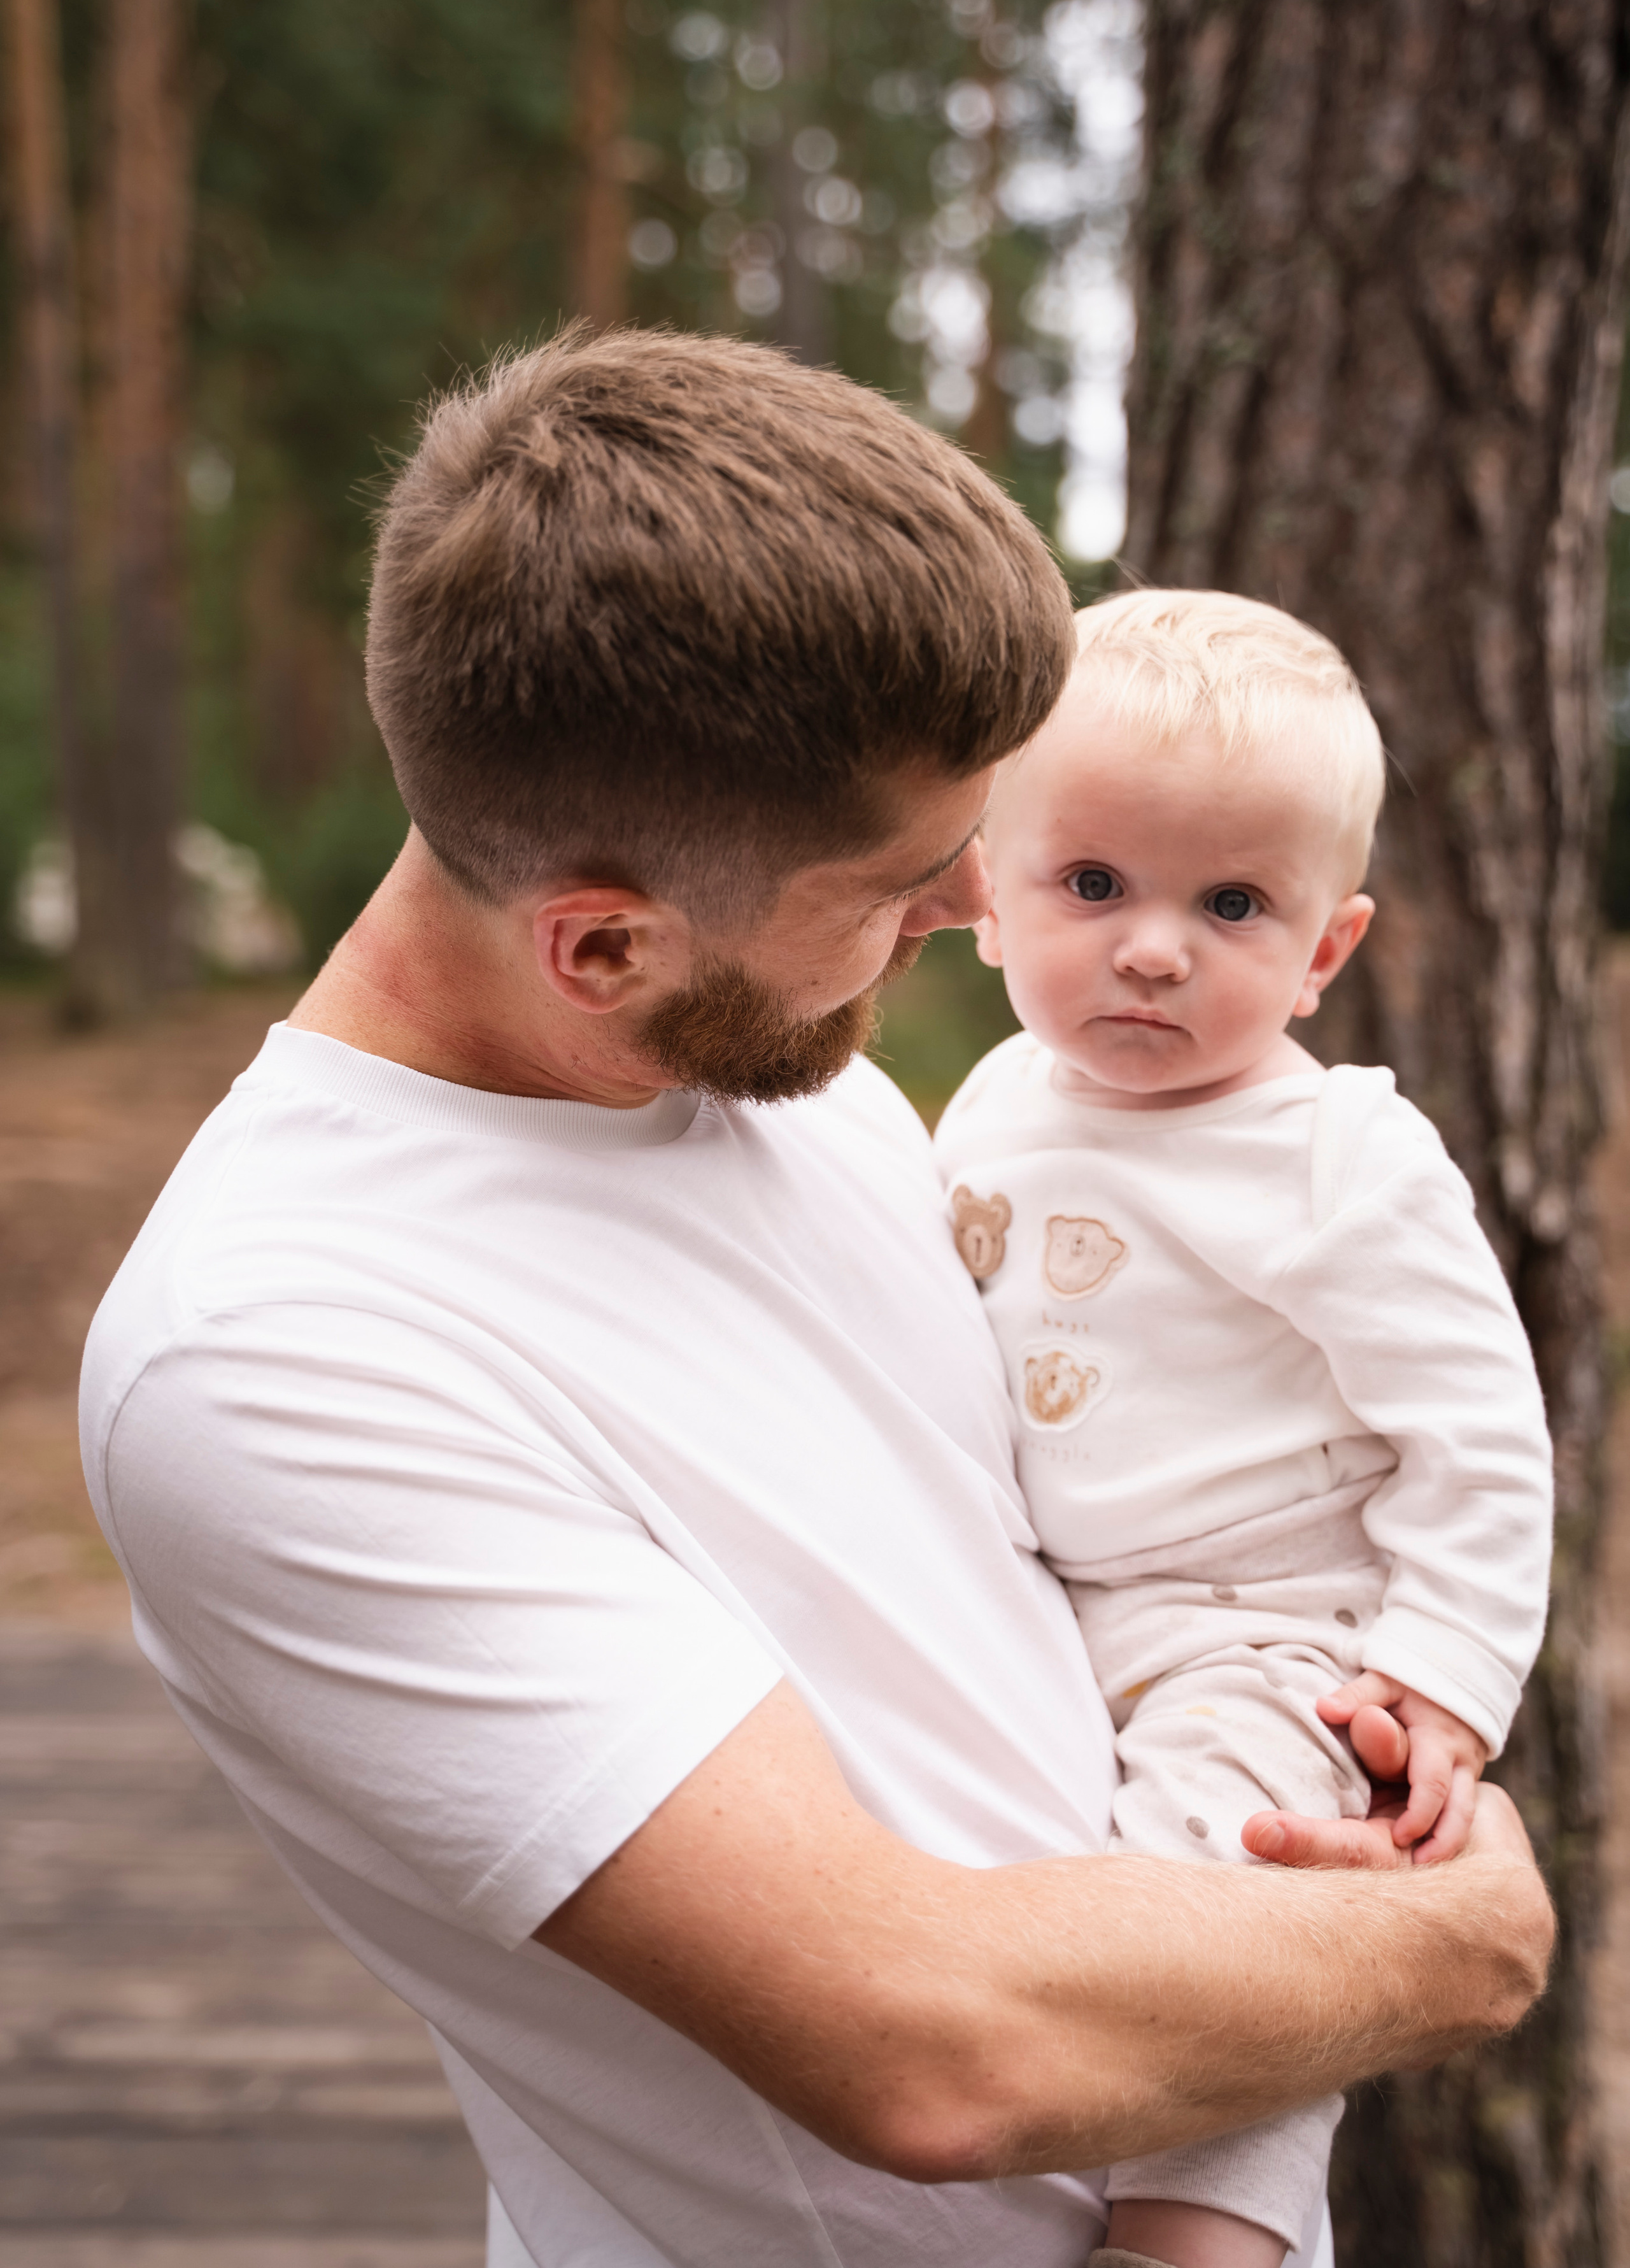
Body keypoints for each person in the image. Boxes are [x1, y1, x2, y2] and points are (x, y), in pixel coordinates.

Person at [80, 331, 1550, 2268]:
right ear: (601, 942)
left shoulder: (807, 1082)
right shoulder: (278, 1354)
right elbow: (925, 2053)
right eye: (899, 875)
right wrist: (1450, 1945)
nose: (967, 903)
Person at [936, 589, 1552, 2268]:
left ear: (1323, 951)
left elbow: (1479, 1430)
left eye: (1230, 905)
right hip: (1060, 1610)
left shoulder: (1340, 1157)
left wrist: (1442, 1671)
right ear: (986, 895)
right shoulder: (993, 1100)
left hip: (1270, 1634)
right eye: (1093, 886)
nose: (1152, 947)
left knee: (1227, 1895)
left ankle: (1204, 2230)